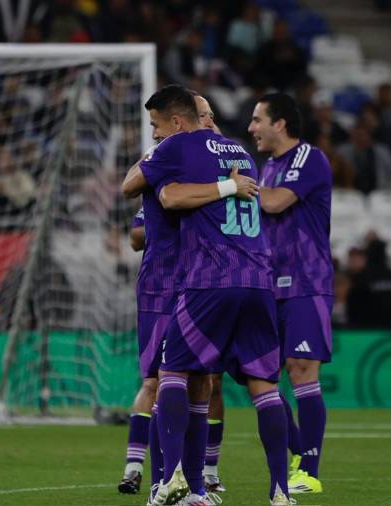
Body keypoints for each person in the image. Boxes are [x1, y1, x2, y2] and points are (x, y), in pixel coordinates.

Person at [123, 84, 290, 506]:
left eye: (157, 125)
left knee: (185, 379)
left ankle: (182, 484)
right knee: (239, 384)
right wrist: (225, 185)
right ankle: (181, 485)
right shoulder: (234, 154)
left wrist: (218, 185)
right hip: (222, 279)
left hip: (201, 279)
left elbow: (166, 196)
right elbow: (136, 208)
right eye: (205, 113)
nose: (155, 133)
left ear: (178, 122)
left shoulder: (186, 150)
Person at [248, 92, 332, 495]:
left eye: (257, 120)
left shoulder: (307, 158)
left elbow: (278, 203)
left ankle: (309, 472)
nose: (252, 129)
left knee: (301, 367)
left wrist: (232, 187)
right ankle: (298, 451)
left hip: (305, 281)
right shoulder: (266, 167)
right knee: (258, 374)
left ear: (279, 123)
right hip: (267, 283)